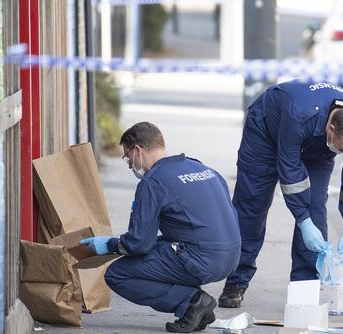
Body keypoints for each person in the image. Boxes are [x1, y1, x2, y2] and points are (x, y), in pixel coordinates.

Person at [217, 79, 343, 308]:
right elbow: (289, 170)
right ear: (331, 129)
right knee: (252, 206)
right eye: (341, 149)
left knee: (315, 207)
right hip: (266, 132)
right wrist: (302, 220)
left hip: (315, 146)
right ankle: (236, 281)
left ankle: (305, 289)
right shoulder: (300, 114)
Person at [80, 122, 241, 333]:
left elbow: (138, 243)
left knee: (118, 274)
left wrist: (110, 244)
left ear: (138, 150)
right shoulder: (203, 168)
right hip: (232, 258)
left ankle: (192, 301)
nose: (130, 165)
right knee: (163, 245)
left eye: (128, 158)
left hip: (203, 260)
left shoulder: (153, 182)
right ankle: (198, 311)